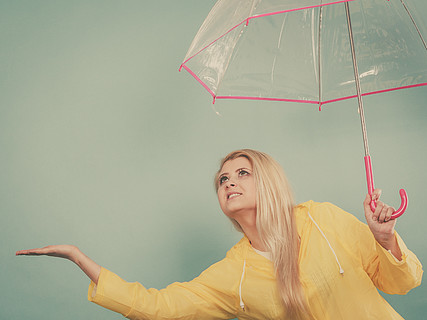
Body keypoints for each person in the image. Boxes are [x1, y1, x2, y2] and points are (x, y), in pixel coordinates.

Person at [16, 149, 422, 320]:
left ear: (268, 181)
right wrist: (78, 258)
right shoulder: (234, 274)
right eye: (222, 178)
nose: (229, 182)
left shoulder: (321, 218)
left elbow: (404, 282)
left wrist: (385, 238)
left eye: (242, 173)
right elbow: (160, 307)